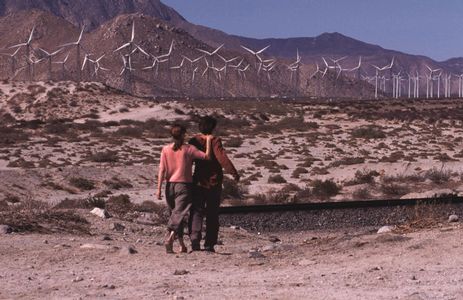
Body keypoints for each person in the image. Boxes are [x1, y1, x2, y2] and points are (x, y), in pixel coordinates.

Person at [156, 124, 212, 254]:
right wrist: (208, 141)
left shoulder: (165, 149)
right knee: (179, 214)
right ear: (183, 135)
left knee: (175, 214)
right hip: (184, 185)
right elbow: (207, 157)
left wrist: (158, 189)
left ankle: (181, 245)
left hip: (169, 185)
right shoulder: (189, 149)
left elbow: (162, 170)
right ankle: (169, 237)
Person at [189, 116, 240, 252]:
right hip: (214, 181)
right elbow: (222, 157)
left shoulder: (193, 141)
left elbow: (188, 159)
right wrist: (233, 172)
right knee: (212, 213)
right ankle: (209, 244)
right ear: (213, 127)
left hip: (198, 181)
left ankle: (194, 241)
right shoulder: (215, 141)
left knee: (197, 212)